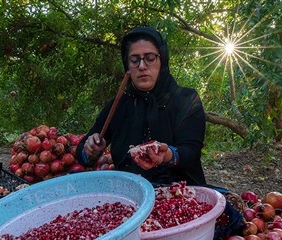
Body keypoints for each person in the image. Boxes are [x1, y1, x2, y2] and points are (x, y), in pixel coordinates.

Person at [76, 26, 206, 187]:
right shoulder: (119, 105)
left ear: (162, 60)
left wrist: (168, 155)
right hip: (130, 196)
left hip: (183, 194)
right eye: (134, 60)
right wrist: (90, 151)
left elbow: (191, 152)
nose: (142, 66)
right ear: (127, 66)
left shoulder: (186, 99)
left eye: (150, 58)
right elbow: (82, 154)